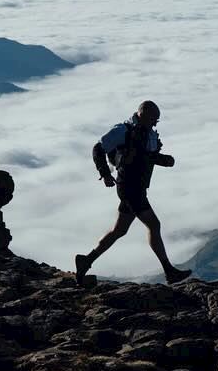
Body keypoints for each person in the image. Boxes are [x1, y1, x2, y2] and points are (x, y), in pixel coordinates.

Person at [75, 100, 192, 285]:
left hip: (137, 187)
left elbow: (145, 157)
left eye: (157, 121)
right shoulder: (123, 130)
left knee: (119, 230)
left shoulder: (148, 133)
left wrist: (165, 160)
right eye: (153, 119)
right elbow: (98, 148)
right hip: (129, 187)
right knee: (154, 225)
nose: (155, 123)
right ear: (142, 115)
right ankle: (169, 271)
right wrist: (105, 173)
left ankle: (86, 260)